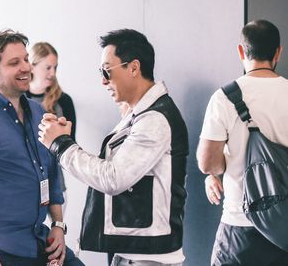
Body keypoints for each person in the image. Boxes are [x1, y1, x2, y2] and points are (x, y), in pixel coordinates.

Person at [38, 29, 188, 266]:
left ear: (134, 68)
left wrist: (60, 144)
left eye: (107, 71)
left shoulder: (154, 120)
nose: (103, 80)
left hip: (147, 259)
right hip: (134, 253)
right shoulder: (141, 115)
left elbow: (113, 177)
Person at [0, 29, 83, 266]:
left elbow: (51, 173)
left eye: (26, 60)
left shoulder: (40, 113)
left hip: (38, 239)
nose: (26, 68)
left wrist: (58, 226)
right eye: (14, 63)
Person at [197, 19, 288, 265]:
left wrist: (216, 173)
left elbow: (208, 163)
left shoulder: (224, 98)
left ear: (241, 51)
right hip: (284, 230)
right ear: (278, 52)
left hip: (239, 226)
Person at [27, 42, 77, 202]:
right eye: (48, 67)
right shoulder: (17, 99)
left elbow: (70, 144)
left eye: (55, 67)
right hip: (24, 182)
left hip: (55, 182)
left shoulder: (64, 101)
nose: (52, 73)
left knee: (57, 226)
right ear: (32, 66)